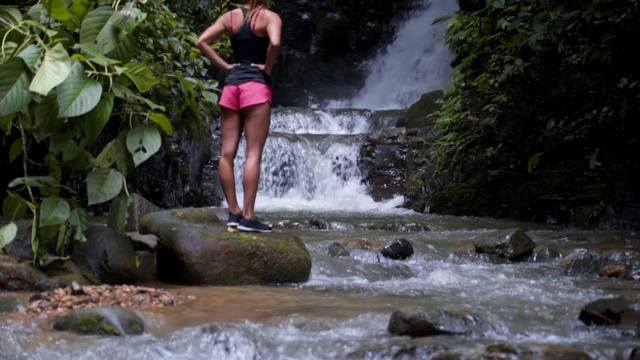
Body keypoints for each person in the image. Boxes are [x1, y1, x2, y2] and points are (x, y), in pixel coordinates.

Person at [196, 0, 282, 233]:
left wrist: (225, 66)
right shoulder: (270, 18)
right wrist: (267, 67)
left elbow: (201, 41)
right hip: (255, 86)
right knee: (253, 153)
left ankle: (233, 212)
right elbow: (274, 41)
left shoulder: (230, 17)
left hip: (232, 87)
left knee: (227, 153)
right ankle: (248, 216)